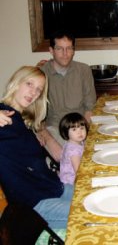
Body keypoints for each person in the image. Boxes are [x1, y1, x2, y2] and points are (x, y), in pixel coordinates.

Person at [0, 66, 73, 229]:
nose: (33, 92)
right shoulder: (3, 116)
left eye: (39, 90)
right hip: (34, 205)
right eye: (29, 84)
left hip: (53, 188)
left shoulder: (20, 119)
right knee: (94, 215)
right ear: (16, 83)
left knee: (96, 196)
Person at [38, 30, 97, 162]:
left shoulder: (83, 70)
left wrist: (82, 134)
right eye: (59, 49)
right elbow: (35, 116)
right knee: (66, 157)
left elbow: (89, 108)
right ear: (51, 51)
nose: (65, 54)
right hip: (53, 129)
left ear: (74, 50)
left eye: (69, 48)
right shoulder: (40, 74)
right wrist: (50, 142)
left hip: (80, 126)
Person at [58, 112, 89, 185]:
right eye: (74, 129)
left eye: (82, 128)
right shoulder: (73, 151)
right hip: (71, 181)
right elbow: (79, 171)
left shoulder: (75, 142)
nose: (79, 132)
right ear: (66, 132)